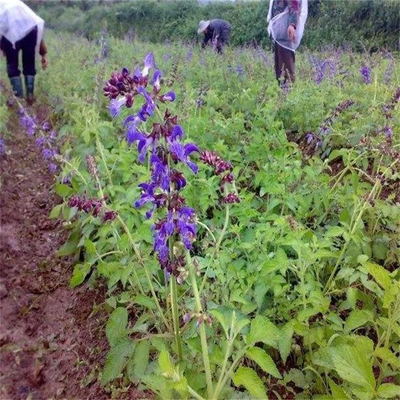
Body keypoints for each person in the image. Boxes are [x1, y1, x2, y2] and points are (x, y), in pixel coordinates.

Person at [0, 0, 48, 103]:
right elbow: (34, 24)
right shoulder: (20, 5)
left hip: (11, 34)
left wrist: (3, 47)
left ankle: (19, 98)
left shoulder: (3, 8)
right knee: (29, 63)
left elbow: (1, 30)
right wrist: (43, 53)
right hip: (31, 31)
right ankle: (30, 95)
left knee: (12, 65)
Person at [267, 0, 308, 84]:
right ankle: (283, 92)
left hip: (285, 31)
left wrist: (292, 24)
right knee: (279, 67)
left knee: (286, 66)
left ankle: (288, 92)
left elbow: (294, 4)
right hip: (279, 31)